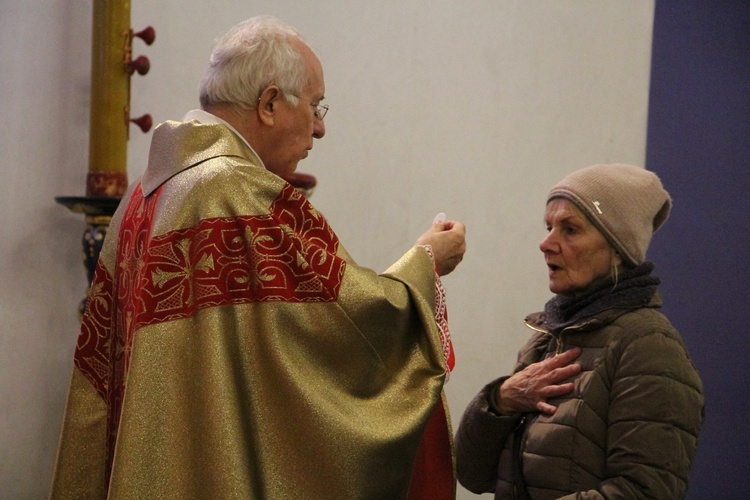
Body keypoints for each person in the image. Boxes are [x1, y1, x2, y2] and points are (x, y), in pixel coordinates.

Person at [51, 15, 466, 499]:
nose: (320, 127)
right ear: (269, 103)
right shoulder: (236, 192)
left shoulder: (143, 197)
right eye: (314, 106)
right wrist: (424, 262)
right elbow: (348, 326)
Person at [454, 164, 703, 499]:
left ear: (618, 249)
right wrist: (500, 400)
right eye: (548, 227)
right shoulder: (545, 338)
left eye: (569, 230)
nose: (546, 243)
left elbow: (646, 491)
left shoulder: (648, 345)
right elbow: (473, 475)